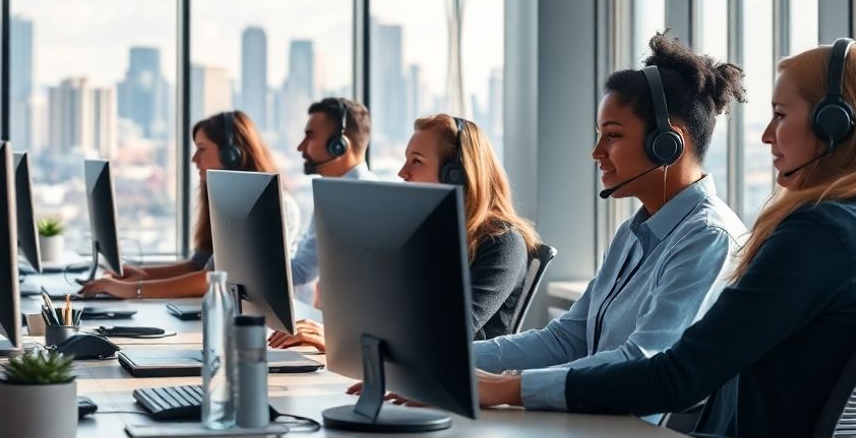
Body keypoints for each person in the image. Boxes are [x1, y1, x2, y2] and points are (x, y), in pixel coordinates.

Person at [476, 39, 856, 438]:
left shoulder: (819, 235)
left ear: (835, 123)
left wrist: (508, 390)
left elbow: (677, 376)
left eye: (781, 115)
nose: (767, 135)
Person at [467, 31, 749, 413]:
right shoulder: (634, 233)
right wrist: (450, 359)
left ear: (668, 143)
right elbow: (567, 339)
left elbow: (642, 360)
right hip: (597, 424)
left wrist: (511, 388)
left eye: (612, 135)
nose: (597, 152)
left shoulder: (708, 238)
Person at [270, 114, 543, 351]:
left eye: (416, 161)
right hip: (404, 373)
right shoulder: (430, 234)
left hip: (461, 387)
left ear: (455, 176)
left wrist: (342, 340)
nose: (402, 172)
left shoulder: (502, 242)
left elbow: (451, 334)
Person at [78, 110, 299, 300]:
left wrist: (133, 290)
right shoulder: (229, 200)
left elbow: (213, 279)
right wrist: (141, 275)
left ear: (232, 155)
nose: (194, 159)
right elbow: (199, 265)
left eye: (202, 148)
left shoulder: (273, 206)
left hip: (261, 328)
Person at [286, 97, 377, 302]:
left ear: (340, 145)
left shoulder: (353, 199)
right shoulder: (339, 193)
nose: (301, 147)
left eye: (310, 136)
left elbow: (301, 272)